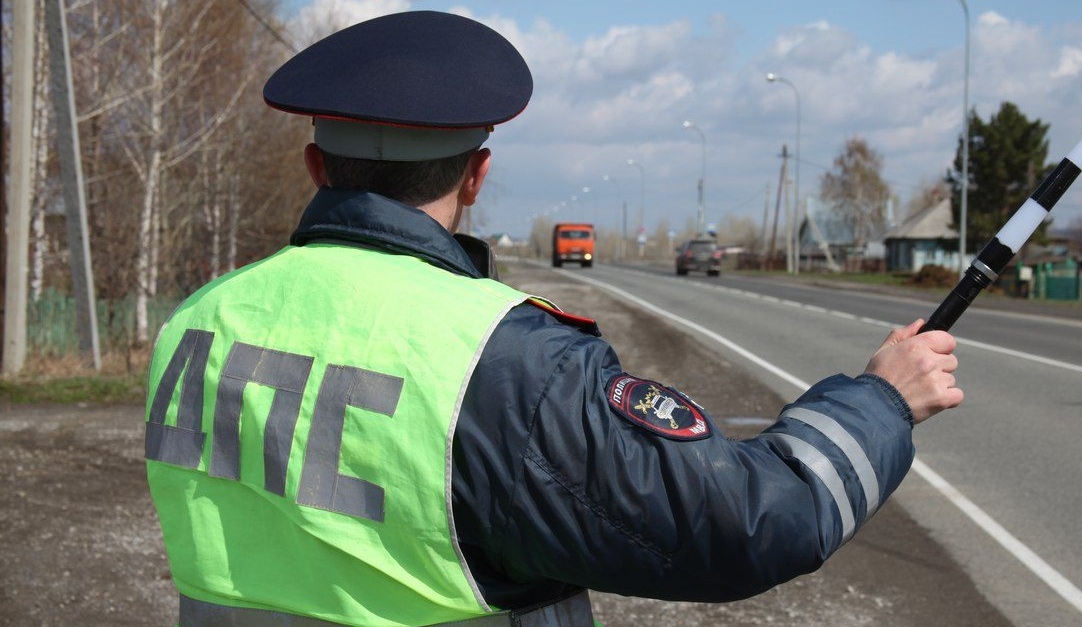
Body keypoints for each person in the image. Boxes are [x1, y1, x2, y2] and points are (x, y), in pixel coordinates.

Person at [143, 10, 963, 627]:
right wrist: (882, 400)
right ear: (477, 176)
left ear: (317, 164)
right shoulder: (504, 363)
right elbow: (752, 520)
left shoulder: (196, 320)